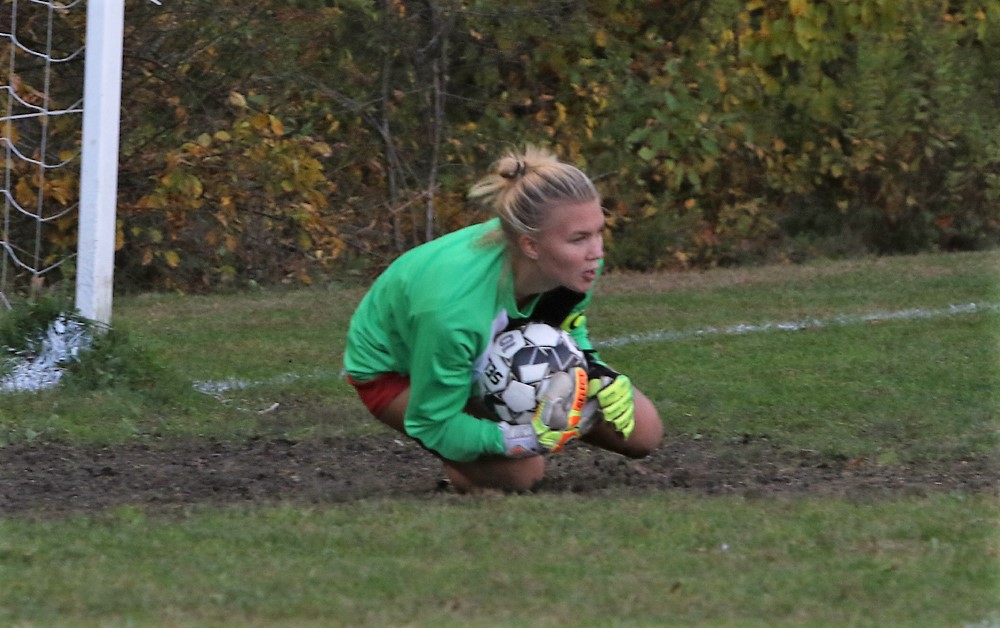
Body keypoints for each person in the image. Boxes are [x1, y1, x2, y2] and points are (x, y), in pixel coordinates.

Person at [343, 145, 663, 493]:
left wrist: (597, 372)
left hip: (480, 346)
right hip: (397, 370)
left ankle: (487, 427)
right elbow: (432, 423)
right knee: (525, 476)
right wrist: (522, 439)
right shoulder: (451, 310)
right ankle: (468, 468)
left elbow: (569, 330)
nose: (597, 251)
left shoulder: (578, 269)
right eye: (579, 238)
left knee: (643, 431)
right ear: (531, 246)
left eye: (599, 231)